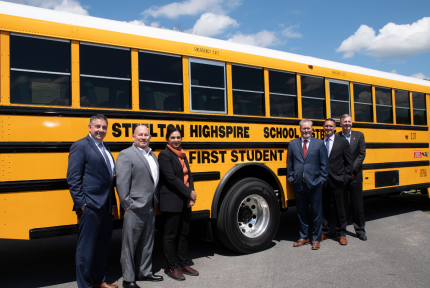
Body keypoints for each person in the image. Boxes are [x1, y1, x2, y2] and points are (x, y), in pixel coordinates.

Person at [67, 114, 118, 288]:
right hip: (90, 206)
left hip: (106, 207)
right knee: (86, 251)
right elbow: (73, 179)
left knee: (102, 247)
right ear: (89, 127)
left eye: (104, 127)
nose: (101, 130)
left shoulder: (105, 147)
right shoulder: (80, 146)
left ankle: (98, 281)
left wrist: (112, 204)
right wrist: (82, 204)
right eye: (97, 127)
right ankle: (85, 285)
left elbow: (109, 180)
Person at [116, 125, 163, 288]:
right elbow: (121, 181)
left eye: (146, 135)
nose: (143, 137)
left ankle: (144, 272)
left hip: (150, 205)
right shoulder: (126, 154)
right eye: (140, 135)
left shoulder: (152, 155)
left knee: (147, 241)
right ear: (133, 137)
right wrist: (126, 203)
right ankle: (128, 279)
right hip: (134, 207)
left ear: (150, 137)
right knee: (129, 244)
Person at [158, 125, 198, 280]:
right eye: (173, 137)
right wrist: (189, 192)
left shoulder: (182, 154)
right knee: (171, 234)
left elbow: (189, 175)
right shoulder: (164, 155)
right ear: (167, 139)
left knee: (184, 233)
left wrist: (190, 195)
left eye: (178, 137)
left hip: (184, 200)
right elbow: (171, 179)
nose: (176, 140)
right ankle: (172, 267)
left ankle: (183, 263)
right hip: (172, 199)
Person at [287, 119, 329, 250]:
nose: (306, 130)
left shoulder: (320, 144)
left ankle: (316, 239)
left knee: (316, 212)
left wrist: (321, 179)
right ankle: (304, 237)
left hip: (315, 183)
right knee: (301, 212)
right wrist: (291, 178)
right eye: (304, 128)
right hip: (298, 184)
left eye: (308, 128)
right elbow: (290, 164)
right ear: (300, 129)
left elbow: (324, 164)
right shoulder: (293, 144)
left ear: (312, 129)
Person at [321, 118, 352, 245]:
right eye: (326, 126)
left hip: (339, 180)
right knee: (324, 208)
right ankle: (324, 231)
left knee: (341, 208)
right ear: (323, 127)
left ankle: (341, 233)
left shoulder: (343, 142)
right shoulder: (319, 142)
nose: (328, 128)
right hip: (323, 181)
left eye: (330, 126)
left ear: (334, 128)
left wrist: (346, 178)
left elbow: (349, 162)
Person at [339, 114, 367, 241]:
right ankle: (342, 231)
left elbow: (361, 154)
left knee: (357, 204)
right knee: (342, 204)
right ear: (340, 124)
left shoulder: (359, 135)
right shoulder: (337, 136)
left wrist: (351, 170)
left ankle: (360, 230)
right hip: (342, 176)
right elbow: (335, 156)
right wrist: (345, 172)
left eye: (349, 121)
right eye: (344, 122)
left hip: (355, 175)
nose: (347, 123)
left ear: (352, 123)